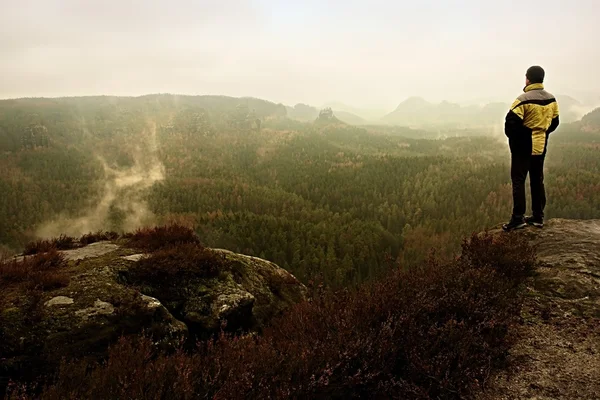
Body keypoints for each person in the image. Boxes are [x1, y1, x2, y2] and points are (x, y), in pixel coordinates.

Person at [503, 66, 560, 231]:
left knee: (518, 180)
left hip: (523, 147)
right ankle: (538, 216)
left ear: (528, 79)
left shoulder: (522, 100)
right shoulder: (551, 99)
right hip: (540, 145)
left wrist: (520, 140)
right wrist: (541, 132)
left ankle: (518, 218)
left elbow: (510, 125)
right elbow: (555, 122)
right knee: (537, 179)